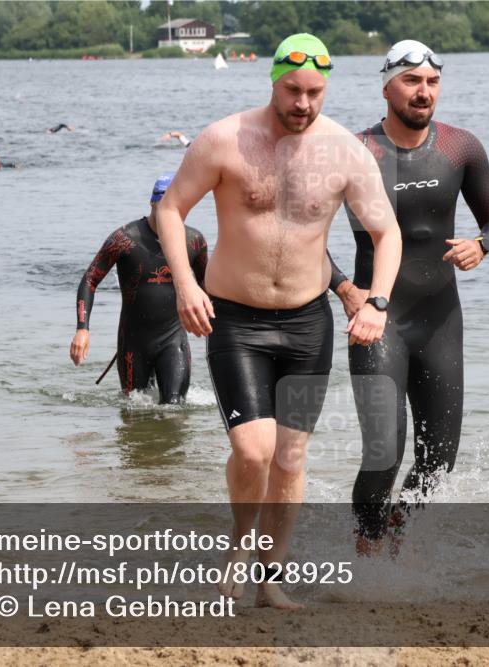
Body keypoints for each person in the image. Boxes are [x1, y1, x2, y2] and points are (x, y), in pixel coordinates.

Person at [155, 33, 402, 609]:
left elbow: (386, 233)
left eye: (315, 92)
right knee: (253, 452)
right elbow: (170, 209)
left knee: (291, 458)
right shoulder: (224, 139)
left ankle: (269, 581)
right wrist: (186, 286)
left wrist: (377, 302)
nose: (303, 104)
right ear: (273, 80)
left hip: (307, 325)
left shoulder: (344, 151)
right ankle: (238, 549)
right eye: (293, 90)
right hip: (235, 319)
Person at [327, 40, 489, 556]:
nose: (423, 92)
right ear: (387, 85)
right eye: (412, 82)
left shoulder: (461, 148)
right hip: (378, 321)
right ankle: (367, 543)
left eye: (432, 82)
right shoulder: (355, 151)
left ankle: (397, 538)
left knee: (439, 461)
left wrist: (482, 244)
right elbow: (302, 237)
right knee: (384, 453)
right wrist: (345, 288)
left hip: (439, 320)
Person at [70, 173, 208, 404]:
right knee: (135, 410)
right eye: (162, 207)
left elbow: (209, 289)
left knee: (174, 408)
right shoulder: (125, 239)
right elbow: (90, 280)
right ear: (152, 203)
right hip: (133, 343)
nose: (167, 215)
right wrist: (82, 328)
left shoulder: (193, 241)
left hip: (173, 339)